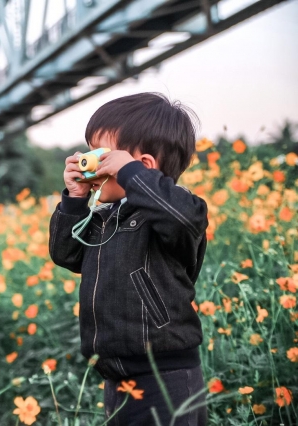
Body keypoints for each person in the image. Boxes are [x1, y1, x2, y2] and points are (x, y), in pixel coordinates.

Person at [48, 92, 209, 425]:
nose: (90, 161)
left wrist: (130, 175)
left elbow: (184, 218)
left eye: (101, 155)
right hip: (115, 373)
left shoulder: (173, 214)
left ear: (144, 167)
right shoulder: (106, 217)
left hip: (166, 375)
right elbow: (66, 253)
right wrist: (76, 200)